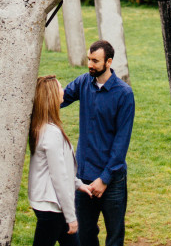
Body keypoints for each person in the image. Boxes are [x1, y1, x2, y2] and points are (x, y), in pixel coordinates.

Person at [61, 40, 135, 246]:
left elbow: (122, 142)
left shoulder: (124, 94)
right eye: (89, 59)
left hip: (112, 181)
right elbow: (60, 98)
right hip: (84, 178)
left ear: (109, 62)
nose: (90, 64)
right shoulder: (83, 82)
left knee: (114, 237)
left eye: (95, 61)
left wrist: (105, 178)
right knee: (84, 236)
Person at [28, 75, 86, 246]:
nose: (63, 91)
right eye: (60, 88)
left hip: (51, 204)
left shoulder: (44, 127)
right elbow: (59, 178)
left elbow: (62, 170)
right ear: (52, 96)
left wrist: (78, 184)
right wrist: (71, 217)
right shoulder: (51, 133)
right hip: (52, 207)